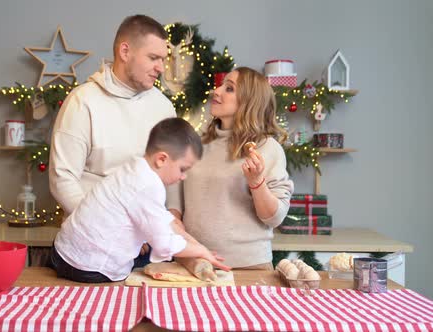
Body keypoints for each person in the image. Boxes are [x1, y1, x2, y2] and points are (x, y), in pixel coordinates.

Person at [49, 118, 231, 283]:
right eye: (183, 169)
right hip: (90, 268)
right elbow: (165, 243)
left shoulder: (135, 168)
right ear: (161, 159)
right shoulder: (148, 186)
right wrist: (201, 252)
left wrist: (197, 245)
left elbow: (166, 221)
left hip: (62, 253)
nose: (183, 177)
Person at [167, 67, 294, 270]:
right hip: (194, 262)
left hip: (249, 266)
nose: (216, 91)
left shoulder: (267, 148)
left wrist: (257, 183)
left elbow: (274, 217)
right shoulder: (196, 144)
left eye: (229, 89)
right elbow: (175, 198)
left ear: (249, 101)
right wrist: (175, 223)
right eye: (221, 85)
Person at [49, 14, 175, 215]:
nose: (160, 68)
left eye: (163, 59)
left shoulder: (164, 107)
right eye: (153, 58)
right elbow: (62, 179)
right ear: (125, 51)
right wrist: (104, 226)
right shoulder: (83, 101)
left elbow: (171, 175)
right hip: (91, 236)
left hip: (144, 239)